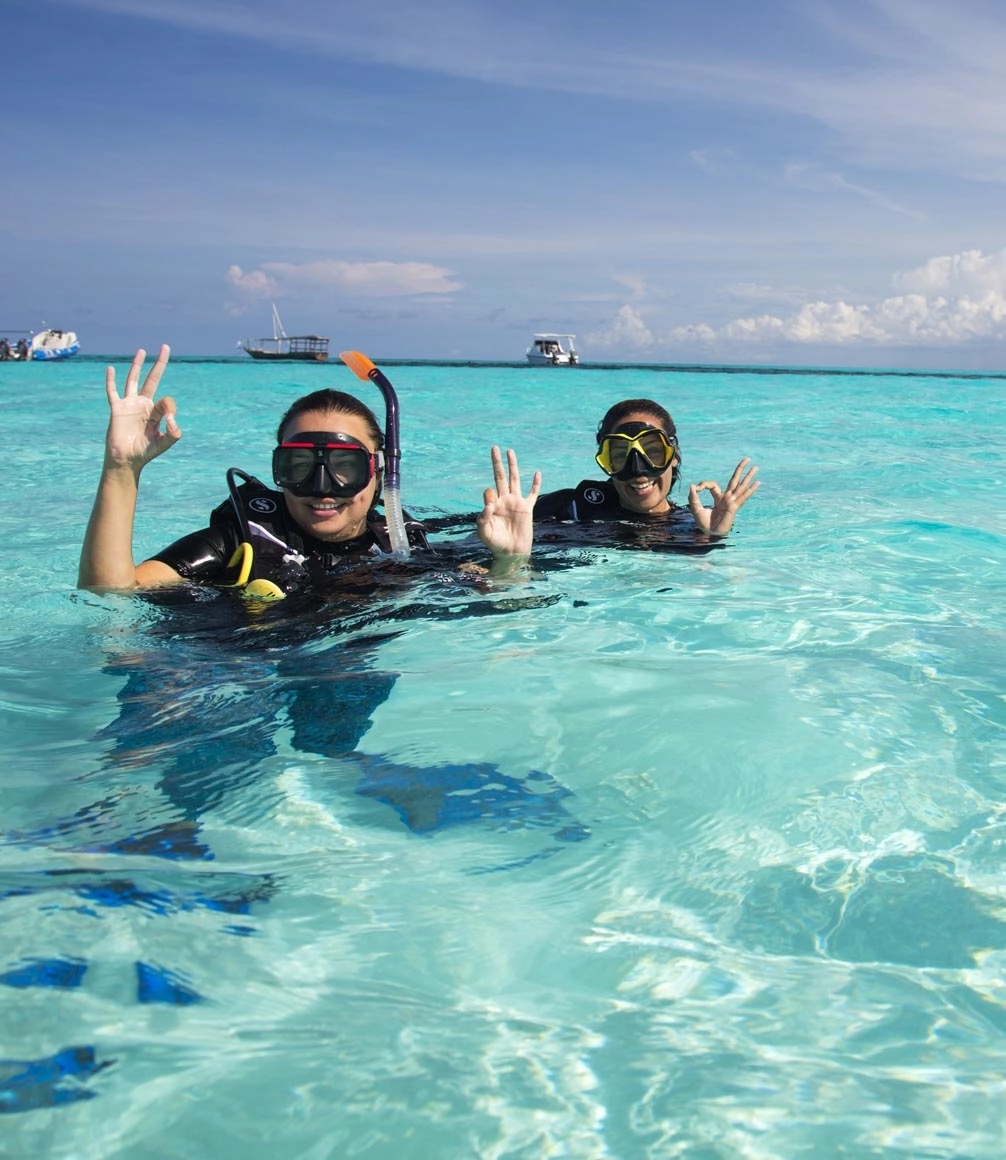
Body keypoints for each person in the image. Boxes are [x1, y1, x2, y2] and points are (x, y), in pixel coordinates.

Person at [78, 345, 539, 595]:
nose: (323, 489)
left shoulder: (402, 546)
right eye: (300, 466)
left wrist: (511, 560)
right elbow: (111, 594)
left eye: (345, 467)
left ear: (380, 474)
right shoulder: (240, 538)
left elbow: (501, 604)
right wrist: (121, 469)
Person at [532, 397, 759, 536]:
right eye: (620, 454)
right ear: (605, 461)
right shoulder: (566, 508)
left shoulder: (693, 524)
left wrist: (713, 536)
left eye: (652, 452)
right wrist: (510, 558)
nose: (638, 470)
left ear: (674, 455)